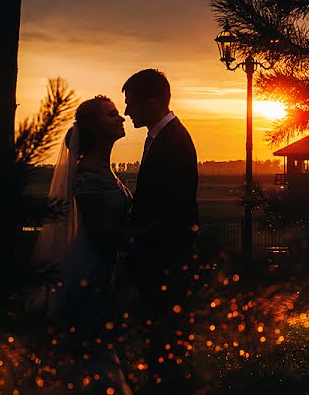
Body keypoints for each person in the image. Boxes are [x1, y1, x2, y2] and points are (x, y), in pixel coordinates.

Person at [33, 96, 133, 394]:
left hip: (103, 265)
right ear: (95, 126)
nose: (121, 118)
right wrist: (141, 236)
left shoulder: (103, 168)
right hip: (92, 268)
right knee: (92, 351)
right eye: (112, 114)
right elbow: (99, 230)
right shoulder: (88, 172)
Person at [121, 69, 199, 391]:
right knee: (160, 344)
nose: (127, 112)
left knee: (165, 344)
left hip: (165, 263)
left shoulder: (173, 142)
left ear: (152, 100)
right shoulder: (162, 138)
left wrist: (135, 241)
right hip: (161, 263)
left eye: (131, 104)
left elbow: (172, 210)